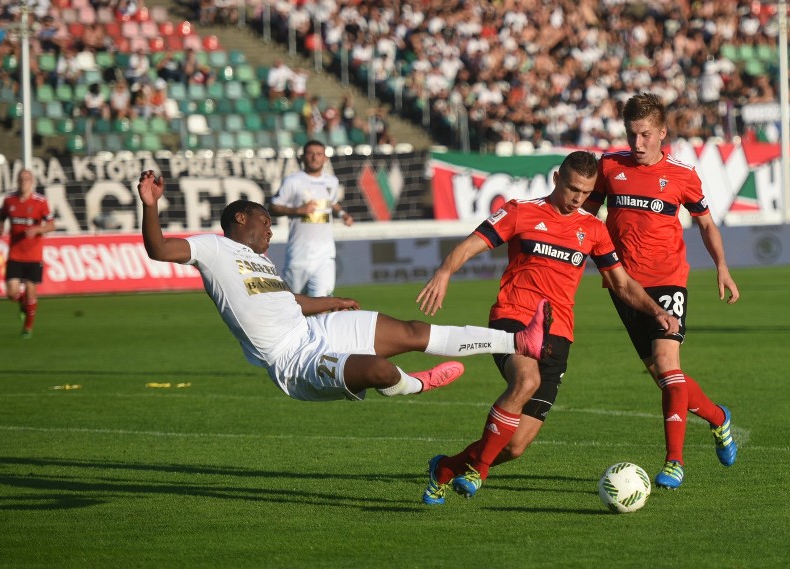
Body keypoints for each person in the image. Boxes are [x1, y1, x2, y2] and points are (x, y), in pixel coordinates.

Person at [137, 170, 552, 406]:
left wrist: (332, 303)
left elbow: (289, 301)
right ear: (241, 219)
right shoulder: (212, 248)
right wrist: (150, 204)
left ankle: (518, 341)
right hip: (292, 361)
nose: (269, 232)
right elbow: (157, 248)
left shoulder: (260, 262)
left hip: (314, 330)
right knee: (379, 371)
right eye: (265, 223)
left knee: (410, 331)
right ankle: (417, 384)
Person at [415, 151, 680, 505]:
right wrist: (444, 273)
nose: (578, 198)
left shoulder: (593, 229)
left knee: (514, 446)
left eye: (585, 192)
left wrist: (655, 310)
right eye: (572, 188)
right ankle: (479, 470)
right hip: (513, 319)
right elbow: (469, 246)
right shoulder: (519, 211)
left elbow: (621, 282)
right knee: (527, 381)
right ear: (557, 178)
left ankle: (445, 469)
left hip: (558, 337)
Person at [583, 92, 740, 489]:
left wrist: (721, 266)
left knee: (668, 365)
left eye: (645, 135)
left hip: (668, 280)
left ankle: (674, 462)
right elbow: (585, 218)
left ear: (662, 133)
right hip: (623, 286)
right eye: (631, 135)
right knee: (667, 379)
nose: (637, 144)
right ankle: (719, 419)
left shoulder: (683, 175)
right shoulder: (609, 168)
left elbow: (706, 223)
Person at [268, 140, 352, 297]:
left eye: (319, 154)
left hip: (325, 257)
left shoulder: (332, 182)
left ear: (325, 158)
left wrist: (342, 214)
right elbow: (273, 206)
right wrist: (298, 210)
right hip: (299, 256)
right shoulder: (293, 181)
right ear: (303, 157)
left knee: (322, 305)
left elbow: (331, 202)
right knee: (294, 306)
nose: (315, 158)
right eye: (310, 154)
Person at [0, 169, 56, 338]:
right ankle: (23, 303)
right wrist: (0, 229)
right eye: (21, 179)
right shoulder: (9, 200)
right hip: (15, 255)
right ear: (17, 180)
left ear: (32, 181)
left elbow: (51, 225)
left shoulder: (40, 202)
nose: (24, 182)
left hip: (34, 256)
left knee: (31, 290)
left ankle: (27, 328)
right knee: (11, 293)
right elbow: (2, 216)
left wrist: (38, 229)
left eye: (27, 179)